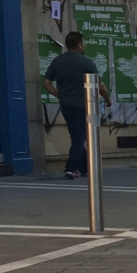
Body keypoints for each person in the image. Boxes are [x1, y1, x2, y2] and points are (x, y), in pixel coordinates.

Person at [43, 31, 112, 180]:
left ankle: (85, 167)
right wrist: (107, 100)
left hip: (66, 105)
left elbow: (46, 83)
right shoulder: (86, 62)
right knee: (80, 137)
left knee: (76, 135)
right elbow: (101, 87)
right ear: (80, 44)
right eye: (83, 43)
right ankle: (71, 168)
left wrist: (59, 95)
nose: (84, 46)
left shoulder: (57, 61)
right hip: (83, 105)